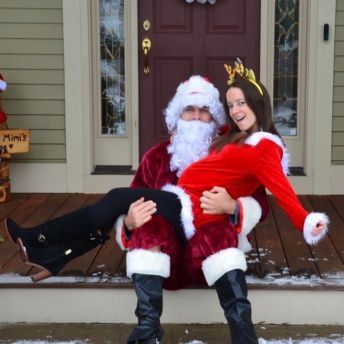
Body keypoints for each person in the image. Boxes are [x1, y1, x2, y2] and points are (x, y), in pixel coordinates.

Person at [5, 66, 329, 343]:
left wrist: (235, 208)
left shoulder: (236, 143)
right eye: (190, 110)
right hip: (168, 253)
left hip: (207, 249)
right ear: (178, 116)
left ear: (216, 118)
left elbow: (268, 192)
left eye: (206, 111)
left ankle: (45, 244)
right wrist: (128, 225)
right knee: (123, 204)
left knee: (118, 197)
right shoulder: (157, 157)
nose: (198, 117)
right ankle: (144, 326)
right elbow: (126, 212)